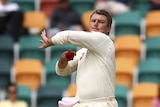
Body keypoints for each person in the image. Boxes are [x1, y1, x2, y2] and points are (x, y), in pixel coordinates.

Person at [39, 9, 118, 107]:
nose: (96, 24)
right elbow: (62, 71)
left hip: (102, 104)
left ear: (108, 28)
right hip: (83, 104)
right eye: (93, 21)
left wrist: (52, 40)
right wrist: (63, 59)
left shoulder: (105, 41)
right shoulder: (83, 51)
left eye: (101, 22)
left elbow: (70, 36)